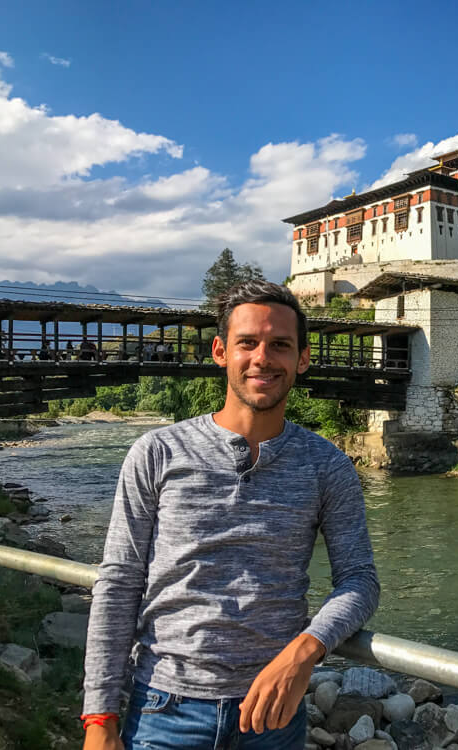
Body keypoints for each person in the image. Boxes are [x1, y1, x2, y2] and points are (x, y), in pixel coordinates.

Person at [81, 280, 379, 750]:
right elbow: (119, 582)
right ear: (221, 351)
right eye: (248, 343)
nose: (263, 357)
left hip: (274, 715)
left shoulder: (328, 466)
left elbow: (360, 580)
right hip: (163, 709)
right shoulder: (156, 452)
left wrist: (305, 651)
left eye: (280, 345)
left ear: (302, 358)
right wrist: (100, 717)